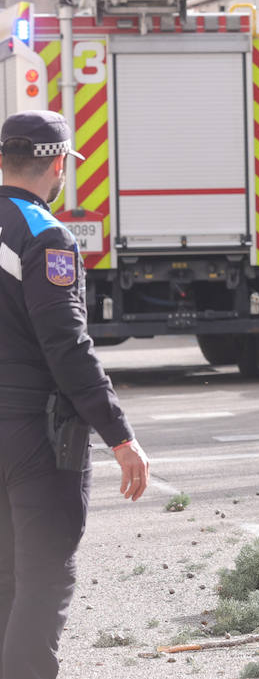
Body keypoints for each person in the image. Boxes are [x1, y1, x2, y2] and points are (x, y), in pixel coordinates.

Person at [0, 110, 150, 679]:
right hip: (34, 435)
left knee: (5, 579)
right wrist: (119, 434)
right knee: (42, 577)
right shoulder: (44, 235)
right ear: (57, 164)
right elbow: (67, 346)